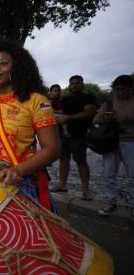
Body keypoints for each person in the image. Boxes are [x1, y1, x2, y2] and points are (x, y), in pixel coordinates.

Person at [0, 41, 60, 213]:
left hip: (18, 183)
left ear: (18, 67)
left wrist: (18, 170)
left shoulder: (36, 101)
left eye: (3, 63)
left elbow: (53, 148)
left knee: (17, 238)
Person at [93, 75, 134, 217]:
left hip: (130, 142)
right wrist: (106, 118)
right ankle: (111, 202)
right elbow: (95, 121)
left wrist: (129, 121)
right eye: (117, 89)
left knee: (133, 175)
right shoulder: (109, 104)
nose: (120, 92)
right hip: (110, 143)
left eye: (123, 89)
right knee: (109, 174)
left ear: (131, 88)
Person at [51, 75, 96, 200]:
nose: (75, 85)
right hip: (62, 135)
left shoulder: (88, 97)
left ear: (82, 84)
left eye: (77, 83)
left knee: (81, 161)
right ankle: (62, 184)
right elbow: (56, 109)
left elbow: (89, 112)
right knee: (63, 159)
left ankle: (86, 189)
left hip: (78, 135)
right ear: (69, 85)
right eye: (72, 83)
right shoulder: (65, 99)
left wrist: (68, 118)